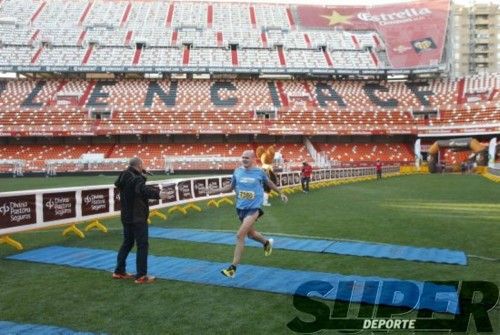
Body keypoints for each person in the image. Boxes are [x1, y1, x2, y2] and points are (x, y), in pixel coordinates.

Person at [209, 150, 288, 278]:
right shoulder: (237, 171)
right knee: (251, 234)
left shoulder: (259, 172)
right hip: (240, 208)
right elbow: (230, 187)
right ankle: (266, 243)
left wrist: (281, 193)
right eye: (243, 157)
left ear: (253, 159)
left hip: (254, 209)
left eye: (247, 158)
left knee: (240, 235)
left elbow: (269, 183)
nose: (244, 159)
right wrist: (214, 191)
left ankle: (232, 269)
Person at [113, 157, 168, 284]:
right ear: (139, 165)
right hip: (137, 217)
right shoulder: (136, 178)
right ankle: (141, 276)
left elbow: (135, 187)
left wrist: (141, 175)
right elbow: (141, 189)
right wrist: (158, 194)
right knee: (142, 245)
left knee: (127, 243)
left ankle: (119, 271)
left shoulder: (125, 176)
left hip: (126, 216)